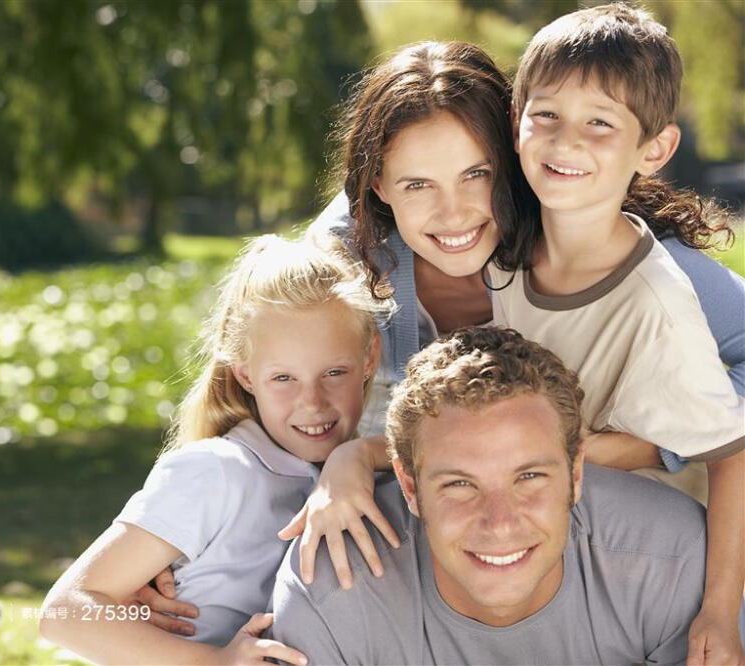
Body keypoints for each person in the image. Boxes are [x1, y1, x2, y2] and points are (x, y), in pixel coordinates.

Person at [278, 35, 744, 660]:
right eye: (417, 184)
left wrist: (647, 446)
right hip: (469, 527)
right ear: (380, 185)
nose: (453, 213)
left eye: (478, 174)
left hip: (622, 530)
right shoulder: (348, 249)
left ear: (518, 156)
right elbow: (261, 373)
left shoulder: (603, 249)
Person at [487, 5, 744, 662]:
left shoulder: (655, 301)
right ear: (516, 121)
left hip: (641, 566)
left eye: (599, 124)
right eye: (545, 115)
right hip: (546, 540)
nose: (565, 141)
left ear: (653, 149)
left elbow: (731, 452)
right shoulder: (502, 256)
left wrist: (720, 611)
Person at [271, 326, 744, 665]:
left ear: (576, 473)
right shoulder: (332, 592)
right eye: (459, 484)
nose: (500, 523)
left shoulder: (673, 561)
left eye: (530, 477)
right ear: (410, 487)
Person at [38, 234, 389, 664]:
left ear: (370, 357)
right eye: (283, 378)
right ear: (244, 374)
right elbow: (65, 611)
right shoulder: (216, 470)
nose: (312, 402)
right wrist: (215, 661)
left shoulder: (353, 475)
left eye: (334, 372)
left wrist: (363, 454)